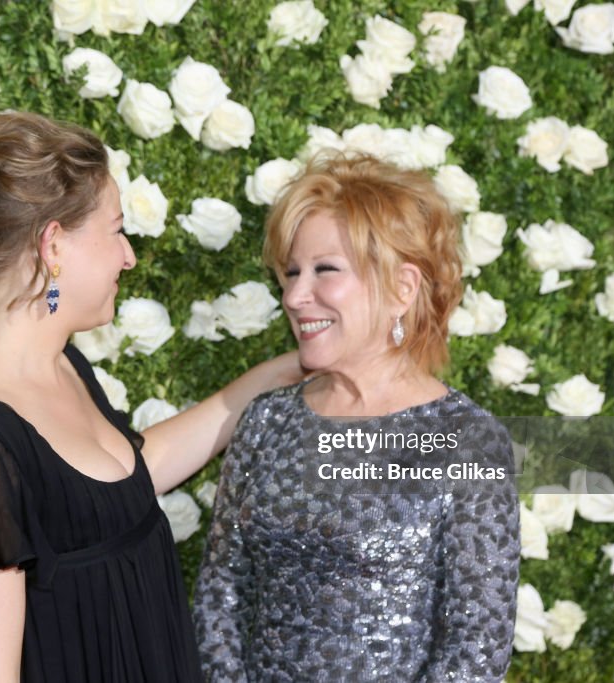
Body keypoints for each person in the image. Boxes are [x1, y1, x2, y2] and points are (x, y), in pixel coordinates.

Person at [0, 111, 299, 682]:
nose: (128, 256)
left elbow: (120, 488)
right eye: (115, 231)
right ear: (54, 244)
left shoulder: (56, 360)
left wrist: (274, 375)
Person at [193, 154, 520, 681]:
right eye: (292, 272)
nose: (296, 297)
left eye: (325, 270)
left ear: (401, 288)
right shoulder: (267, 422)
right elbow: (220, 596)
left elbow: (475, 650)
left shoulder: (467, 441)